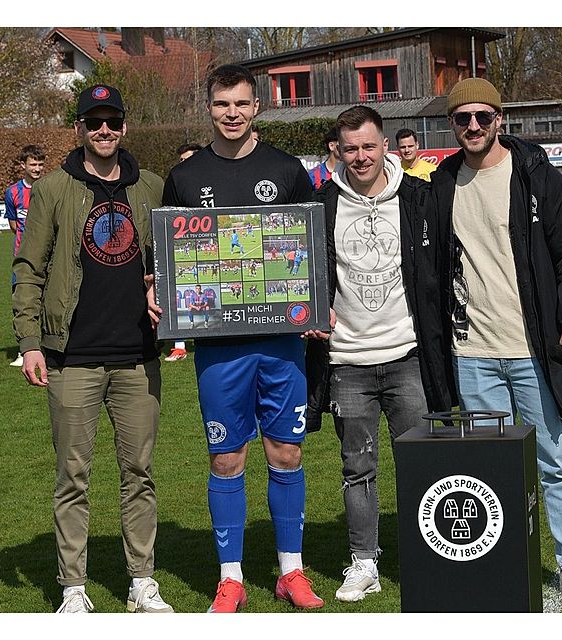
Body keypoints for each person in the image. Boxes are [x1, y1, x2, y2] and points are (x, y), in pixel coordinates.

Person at [429, 77, 562, 604]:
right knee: (490, 469)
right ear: (452, 124)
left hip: (534, 352)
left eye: (484, 117)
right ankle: (502, 563)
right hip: (474, 355)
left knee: (556, 460)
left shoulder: (535, 176)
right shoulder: (443, 183)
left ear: (500, 119)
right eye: (463, 119)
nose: (474, 126)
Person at [158, 64, 322, 613]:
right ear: (209, 107)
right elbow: (168, 260)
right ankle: (230, 578)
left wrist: (317, 305)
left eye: (242, 104)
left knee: (287, 450)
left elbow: (312, 244)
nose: (232, 113)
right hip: (219, 348)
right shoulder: (185, 177)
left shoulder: (285, 169)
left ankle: (290, 572)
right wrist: (157, 290)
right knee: (226, 459)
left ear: (257, 107)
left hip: (281, 343)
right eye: (222, 104)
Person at [12, 84, 172, 614]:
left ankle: (142, 580)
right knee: (73, 476)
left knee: (140, 474)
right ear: (79, 128)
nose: (105, 130)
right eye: (94, 121)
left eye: (113, 121)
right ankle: (73, 587)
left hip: (137, 357)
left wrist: (163, 292)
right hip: (71, 355)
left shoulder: (150, 185)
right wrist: (30, 341)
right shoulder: (55, 187)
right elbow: (30, 269)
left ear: (124, 126)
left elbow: (172, 261)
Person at [305, 105, 453, 603]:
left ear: (385, 145)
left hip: (409, 356)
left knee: (424, 468)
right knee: (357, 469)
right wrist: (310, 309)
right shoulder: (321, 203)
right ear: (337, 151)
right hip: (347, 361)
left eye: (369, 146)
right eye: (351, 149)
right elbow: (302, 270)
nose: (361, 156)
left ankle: (428, 558)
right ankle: (363, 562)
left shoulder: (417, 196)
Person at [4, 144, 46, 368]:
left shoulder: (49, 188)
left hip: (47, 258)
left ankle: (47, 347)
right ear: (23, 165)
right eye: (33, 164)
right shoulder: (12, 192)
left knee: (47, 303)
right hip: (22, 259)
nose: (37, 168)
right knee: (21, 303)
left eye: (40, 164)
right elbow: (13, 224)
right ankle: (25, 349)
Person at [165, 142, 203, 363]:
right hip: (184, 251)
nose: (183, 165)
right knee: (181, 294)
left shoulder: (211, 180)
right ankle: (179, 345)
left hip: (206, 250)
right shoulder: (177, 183)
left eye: (187, 159)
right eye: (180, 161)